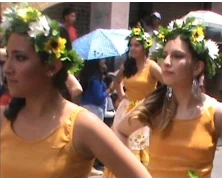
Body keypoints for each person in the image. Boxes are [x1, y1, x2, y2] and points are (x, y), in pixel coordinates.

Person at [0, 5, 151, 178]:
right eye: (7, 56)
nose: (7, 69)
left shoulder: (82, 126)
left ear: (52, 66)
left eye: (20, 58)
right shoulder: (4, 119)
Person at [113, 17, 222, 178]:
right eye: (165, 55)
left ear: (197, 67)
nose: (167, 62)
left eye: (177, 56)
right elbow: (120, 132)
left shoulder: (218, 113)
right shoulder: (154, 106)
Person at [104, 26, 163, 177]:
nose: (132, 48)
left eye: (137, 45)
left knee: (140, 147)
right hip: (125, 110)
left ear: (145, 48)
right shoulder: (127, 65)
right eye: (131, 45)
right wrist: (123, 95)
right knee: (121, 146)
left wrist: (156, 102)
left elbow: (167, 85)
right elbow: (117, 82)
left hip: (145, 111)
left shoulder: (152, 66)